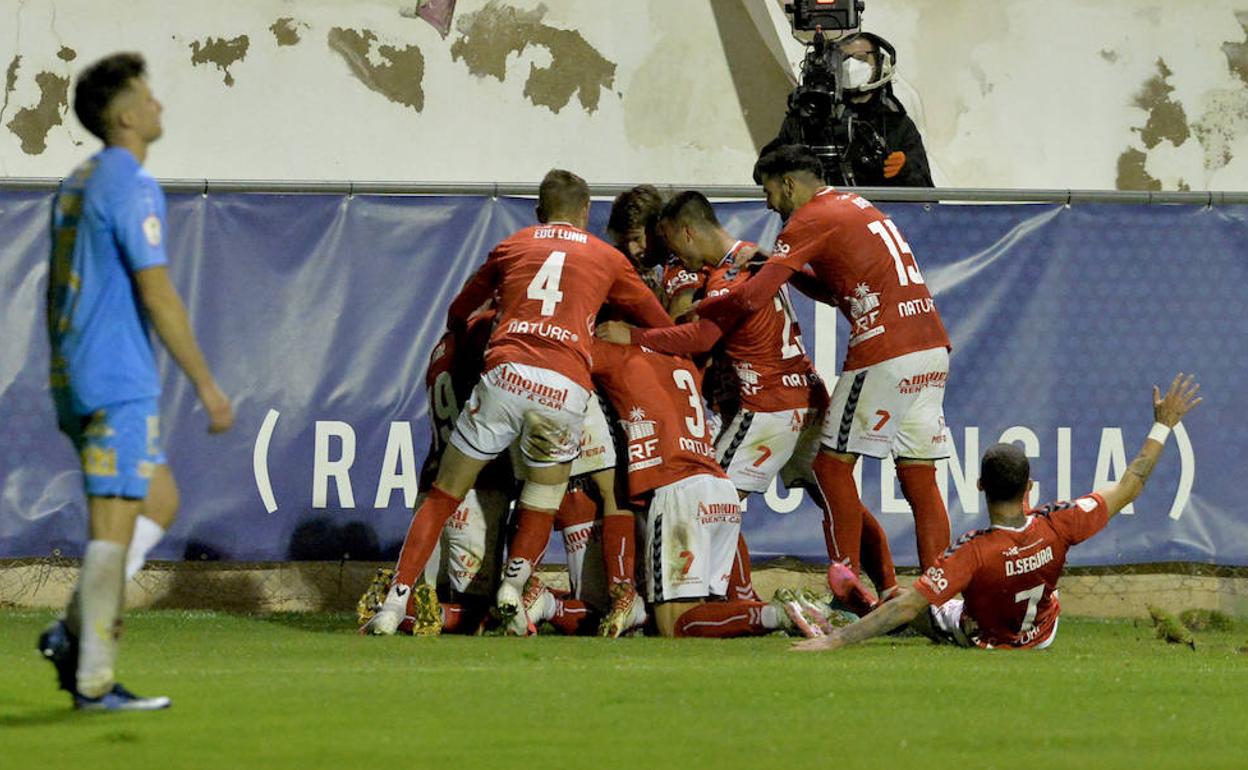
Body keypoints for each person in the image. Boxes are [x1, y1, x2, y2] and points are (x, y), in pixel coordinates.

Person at [364, 169, 673, 636]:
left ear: (538, 211)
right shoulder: (607, 258)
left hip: (507, 376)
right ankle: (514, 586)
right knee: (542, 497)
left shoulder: (513, 245)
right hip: (564, 387)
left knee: (444, 495)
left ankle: (394, 604)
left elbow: (459, 311)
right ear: (586, 212)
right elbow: (660, 321)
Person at [38, 52, 234, 711]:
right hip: (114, 378)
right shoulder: (129, 182)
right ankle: (92, 679)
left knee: (160, 501)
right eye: (149, 98)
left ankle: (71, 631)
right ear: (125, 115)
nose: (159, 107)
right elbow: (158, 292)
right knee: (112, 529)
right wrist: (206, 385)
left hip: (78, 372)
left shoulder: (79, 179)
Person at [697, 144, 952, 592]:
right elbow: (834, 293)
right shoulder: (854, 204)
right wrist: (776, 265)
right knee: (919, 474)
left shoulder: (808, 217)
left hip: (885, 347)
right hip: (930, 344)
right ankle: (938, 592)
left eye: (769, 190)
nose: (768, 203)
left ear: (789, 184)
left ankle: (844, 584)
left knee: (831, 468)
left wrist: (701, 313)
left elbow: (753, 298)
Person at [795, 373, 1203, 651]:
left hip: (981, 637)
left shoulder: (970, 553)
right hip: (1042, 634)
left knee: (917, 604)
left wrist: (834, 642)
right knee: (1029, 574)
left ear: (980, 487)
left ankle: (867, 605)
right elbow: (1132, 484)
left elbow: (907, 607)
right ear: (1029, 489)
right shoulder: (1059, 523)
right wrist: (1163, 424)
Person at [766, 32, 933, 187]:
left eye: (861, 58)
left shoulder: (896, 124)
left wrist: (906, 170)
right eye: (843, 59)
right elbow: (763, 173)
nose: (851, 66)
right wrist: (790, 164)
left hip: (877, 214)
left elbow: (926, 194)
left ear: (881, 64)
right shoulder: (807, 120)